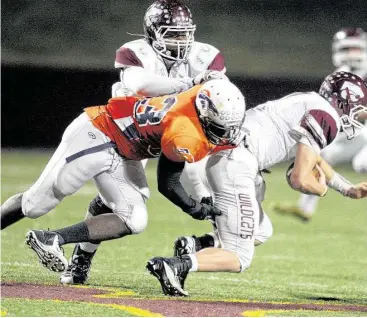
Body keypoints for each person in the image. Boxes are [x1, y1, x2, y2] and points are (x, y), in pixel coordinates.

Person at [146, 71, 367, 297]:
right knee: (239, 257)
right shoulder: (326, 115)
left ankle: (195, 246)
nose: (358, 116)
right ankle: (173, 265)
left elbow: (316, 159)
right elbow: (298, 178)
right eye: (357, 108)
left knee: (261, 231)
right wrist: (319, 190)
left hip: (230, 159)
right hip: (236, 165)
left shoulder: (309, 101)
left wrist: (347, 189)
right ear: (345, 100)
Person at [0, 78, 246, 274]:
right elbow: (168, 184)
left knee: (134, 219)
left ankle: (51, 238)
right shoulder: (185, 133)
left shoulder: (205, 96)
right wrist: (195, 209)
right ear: (204, 114)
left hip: (126, 150)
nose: (226, 135)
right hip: (99, 132)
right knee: (36, 205)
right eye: (221, 129)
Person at [62, 0, 228, 284]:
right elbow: (141, 85)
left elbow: (214, 101)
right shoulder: (135, 52)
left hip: (176, 128)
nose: (180, 41)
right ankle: (81, 255)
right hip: (134, 132)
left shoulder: (206, 55)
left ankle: (210, 234)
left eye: (184, 33)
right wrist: (189, 84)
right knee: (121, 201)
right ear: (152, 33)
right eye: (172, 34)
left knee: (197, 176)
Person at [272, 27, 367, 221]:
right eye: (347, 49)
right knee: (320, 157)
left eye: (355, 49)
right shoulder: (340, 74)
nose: (351, 54)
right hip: (356, 131)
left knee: (361, 164)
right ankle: (305, 209)